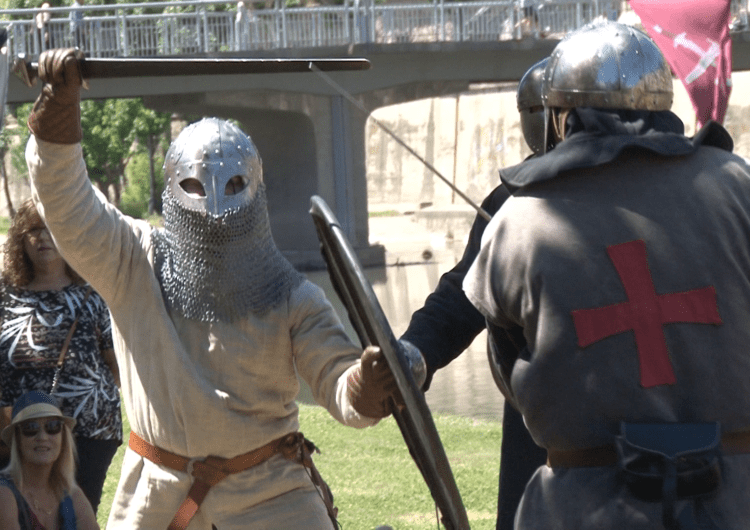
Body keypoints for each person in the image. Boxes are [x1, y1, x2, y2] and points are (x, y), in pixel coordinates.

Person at [24, 48, 397, 529]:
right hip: (157, 497)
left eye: (234, 185)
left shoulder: (290, 296)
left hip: (272, 496)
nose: (216, 206)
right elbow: (67, 206)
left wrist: (367, 387)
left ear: (255, 189)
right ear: (173, 189)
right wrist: (58, 109)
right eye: (196, 188)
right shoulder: (133, 260)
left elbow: (337, 379)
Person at [463, 20, 750, 529]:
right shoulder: (735, 187)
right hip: (734, 500)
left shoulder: (522, 223)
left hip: (585, 509)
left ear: (563, 117)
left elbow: (507, 363)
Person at [399, 57, 548, 530]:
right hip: (541, 418)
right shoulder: (513, 203)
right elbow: (464, 295)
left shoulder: (657, 191)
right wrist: (413, 353)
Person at [0, 198, 121, 515]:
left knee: (76, 514)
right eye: (33, 230)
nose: (42, 238)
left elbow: (116, 365)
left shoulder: (94, 292)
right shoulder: (4, 295)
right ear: (20, 239)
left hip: (88, 431)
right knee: (24, 513)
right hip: (20, 430)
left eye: (52, 228)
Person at [0, 390, 99, 530]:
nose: (42, 437)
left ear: (63, 438)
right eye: (30, 428)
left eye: (53, 426)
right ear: (18, 441)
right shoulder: (4, 495)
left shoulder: (72, 495)